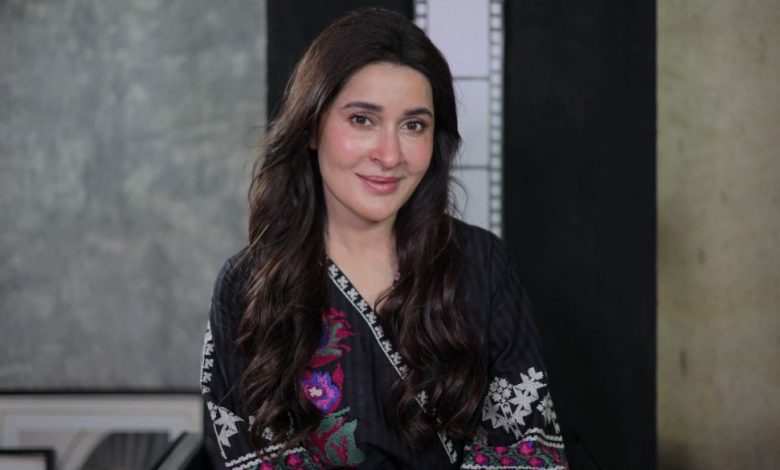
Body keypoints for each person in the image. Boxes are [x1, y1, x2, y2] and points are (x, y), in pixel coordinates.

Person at [200, 8, 568, 469]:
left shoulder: (481, 264)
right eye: (362, 120)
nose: (390, 155)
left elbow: (524, 451)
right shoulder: (249, 286)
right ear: (312, 127)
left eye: (413, 125)